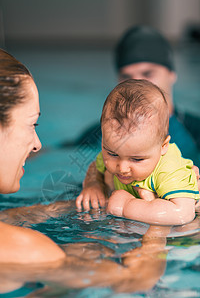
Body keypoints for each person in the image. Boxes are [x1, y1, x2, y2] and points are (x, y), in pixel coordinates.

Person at [60, 25, 200, 166]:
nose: (136, 83)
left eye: (147, 74)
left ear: (172, 74)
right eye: (126, 76)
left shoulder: (196, 131)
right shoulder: (99, 133)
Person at [76, 79, 200, 226]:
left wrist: (125, 205)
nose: (122, 168)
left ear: (163, 146)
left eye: (136, 159)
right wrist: (93, 184)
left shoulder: (170, 170)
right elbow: (96, 166)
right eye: (113, 154)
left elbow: (182, 214)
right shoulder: (117, 153)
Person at [0, 48, 65, 264]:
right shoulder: (35, 252)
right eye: (32, 124)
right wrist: (155, 237)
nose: (37, 144)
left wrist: (69, 207)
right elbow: (133, 281)